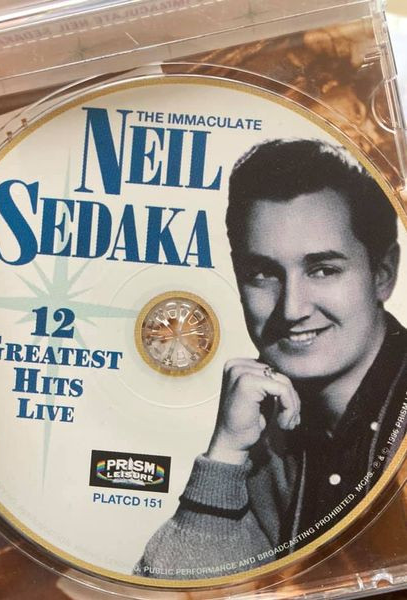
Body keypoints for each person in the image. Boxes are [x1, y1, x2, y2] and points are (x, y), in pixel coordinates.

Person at [135, 139, 407, 580]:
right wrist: (225, 456)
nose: (292, 309)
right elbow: (177, 590)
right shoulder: (267, 439)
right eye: (263, 274)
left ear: (383, 274)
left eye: (323, 269)